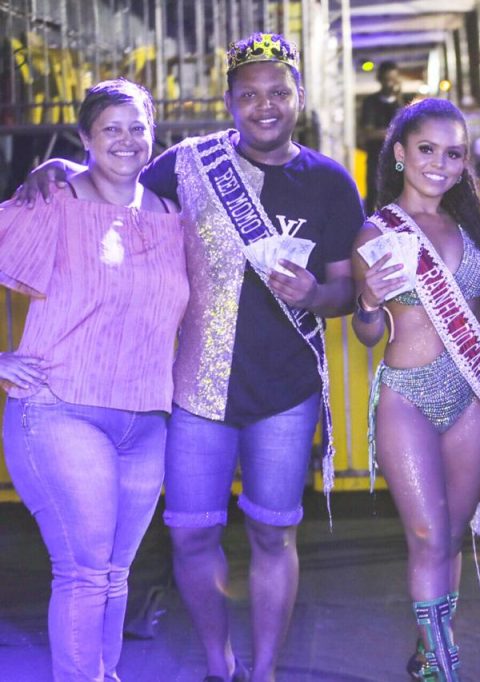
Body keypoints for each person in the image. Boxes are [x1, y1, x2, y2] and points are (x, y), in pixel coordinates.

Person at [16, 33, 364, 682]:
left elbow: (348, 290)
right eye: (249, 95)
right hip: (196, 390)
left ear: (300, 96)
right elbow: (111, 180)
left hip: (286, 394)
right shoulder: (187, 164)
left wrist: (316, 294)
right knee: (191, 534)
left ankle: (265, 671)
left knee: (273, 535)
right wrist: (60, 166)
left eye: (278, 92)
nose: (264, 105)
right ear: (228, 101)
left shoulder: (331, 183)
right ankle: (218, 664)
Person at [0, 79, 188, 681]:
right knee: (83, 573)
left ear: (153, 134)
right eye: (111, 129)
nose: (126, 140)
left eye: (137, 127)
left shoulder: (172, 216)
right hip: (60, 409)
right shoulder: (53, 201)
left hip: (146, 419)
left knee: (112, 575)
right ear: (85, 137)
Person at [351, 97, 480, 681]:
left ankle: (428, 656)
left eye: (453, 154)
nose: (439, 164)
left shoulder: (468, 227)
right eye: (426, 149)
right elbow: (368, 334)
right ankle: (445, 668)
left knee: (450, 537)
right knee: (425, 534)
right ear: (399, 153)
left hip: (468, 394)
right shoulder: (377, 230)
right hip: (408, 397)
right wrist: (369, 301)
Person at [358, 60, 404, 213]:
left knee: (398, 199)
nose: (390, 84)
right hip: (375, 159)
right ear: (380, 79)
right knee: (373, 197)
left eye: (393, 79)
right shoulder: (370, 103)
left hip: (397, 161)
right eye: (386, 79)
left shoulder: (401, 103)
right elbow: (368, 133)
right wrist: (394, 132)